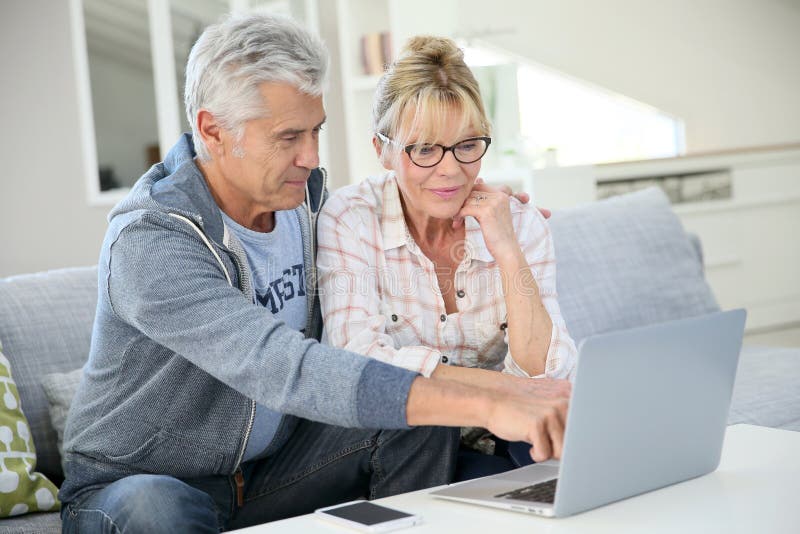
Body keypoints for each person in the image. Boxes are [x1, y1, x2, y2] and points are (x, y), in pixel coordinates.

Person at [58, 13, 569, 533]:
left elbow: (395, 206)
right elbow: (280, 366)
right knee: (156, 507)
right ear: (213, 130)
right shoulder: (151, 242)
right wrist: (490, 399)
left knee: (418, 413)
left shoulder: (305, 203)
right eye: (288, 137)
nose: (311, 156)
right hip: (139, 484)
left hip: (269, 475)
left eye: (316, 130)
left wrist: (473, 203)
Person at [316, 36, 577, 479]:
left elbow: (546, 373)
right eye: (424, 149)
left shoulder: (517, 222)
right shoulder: (351, 218)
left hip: (509, 441)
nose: (451, 170)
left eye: (468, 145)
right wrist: (500, 392)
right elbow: (359, 363)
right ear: (382, 150)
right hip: (404, 446)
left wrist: (507, 248)